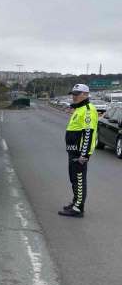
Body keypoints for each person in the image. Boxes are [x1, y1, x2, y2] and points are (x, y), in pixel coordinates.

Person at [58, 83, 98, 218]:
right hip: (73, 151)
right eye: (73, 94)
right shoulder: (79, 109)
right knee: (73, 179)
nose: (74, 97)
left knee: (79, 180)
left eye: (77, 94)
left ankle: (78, 209)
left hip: (79, 153)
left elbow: (88, 133)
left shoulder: (87, 109)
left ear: (85, 95)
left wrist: (84, 155)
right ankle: (76, 202)